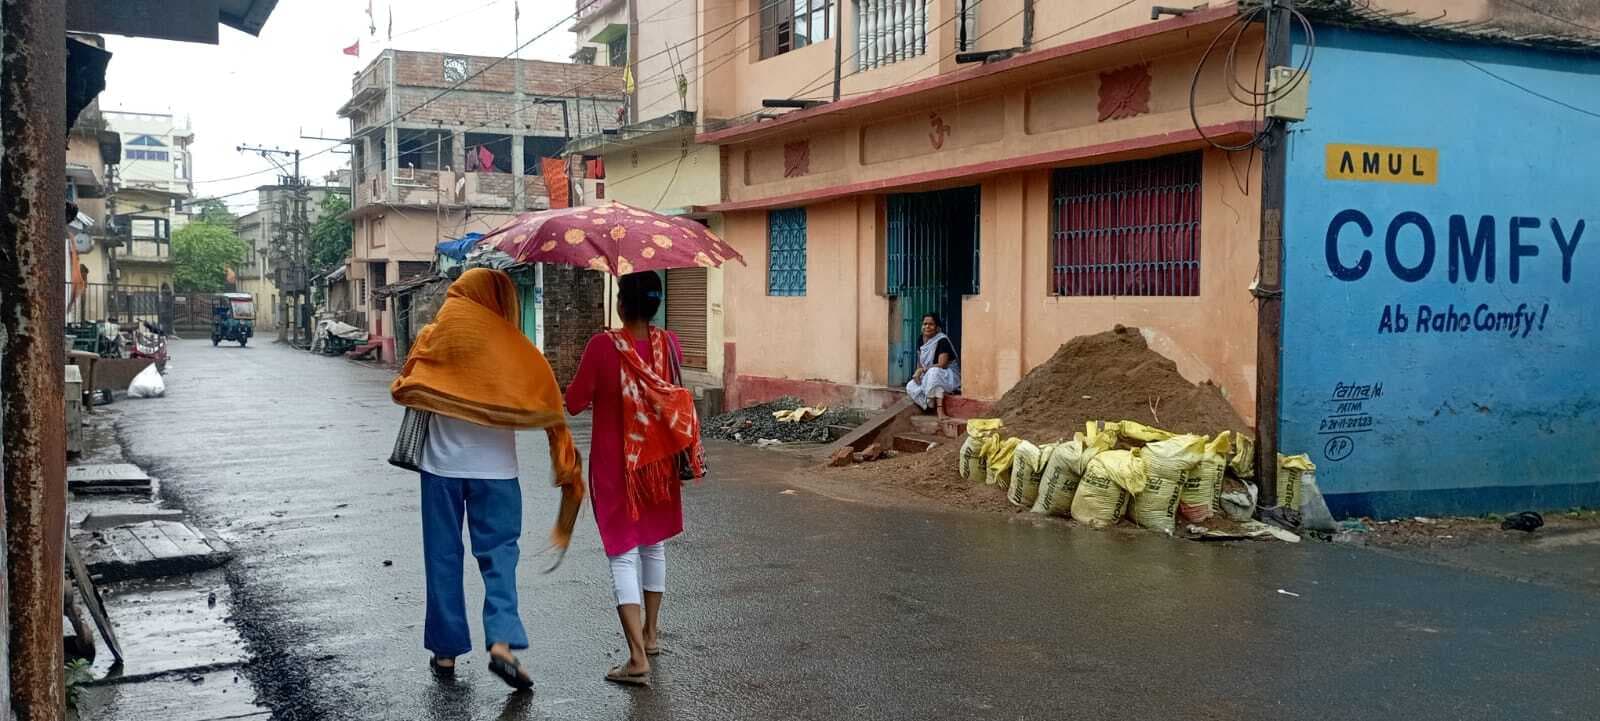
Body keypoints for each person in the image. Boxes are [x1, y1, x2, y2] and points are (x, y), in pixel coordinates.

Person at [390, 268, 584, 690]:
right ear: (501, 299)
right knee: (500, 559)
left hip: (440, 468)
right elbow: (546, 389)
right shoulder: (511, 345)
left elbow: (406, 382)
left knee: (442, 557)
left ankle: (445, 653)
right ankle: (501, 644)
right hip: (497, 472)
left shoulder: (436, 333)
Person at [564, 271, 704, 687]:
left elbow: (573, 402)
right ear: (656, 305)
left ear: (622, 305)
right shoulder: (670, 344)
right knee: (653, 547)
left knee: (623, 553)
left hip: (617, 466)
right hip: (659, 465)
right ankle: (652, 634)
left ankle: (637, 658)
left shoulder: (603, 346)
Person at [906, 313, 960, 419]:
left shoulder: (942, 340)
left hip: (948, 374)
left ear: (937, 327)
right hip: (930, 374)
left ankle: (938, 408)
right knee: (911, 385)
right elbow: (920, 362)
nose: (927, 327)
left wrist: (922, 370)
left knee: (934, 373)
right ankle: (928, 403)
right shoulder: (920, 339)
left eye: (931, 324)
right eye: (925, 324)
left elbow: (942, 364)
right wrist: (918, 372)